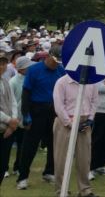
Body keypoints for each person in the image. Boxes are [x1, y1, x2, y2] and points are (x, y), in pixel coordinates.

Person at [17, 45, 65, 190]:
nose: (56, 63)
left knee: (53, 144)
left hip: (54, 112)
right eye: (55, 60)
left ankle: (49, 172)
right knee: (30, 147)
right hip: (36, 111)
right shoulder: (34, 70)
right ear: (48, 55)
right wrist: (26, 115)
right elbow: (26, 94)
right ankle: (22, 177)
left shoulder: (60, 70)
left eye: (59, 61)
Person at [52, 70, 99, 197]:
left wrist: (89, 120)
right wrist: (71, 124)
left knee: (84, 159)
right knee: (61, 159)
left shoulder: (91, 82)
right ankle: (61, 191)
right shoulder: (62, 82)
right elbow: (59, 106)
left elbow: (94, 101)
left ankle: (85, 190)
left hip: (84, 123)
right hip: (65, 123)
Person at [8, 55, 33, 177]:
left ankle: (17, 167)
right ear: (21, 68)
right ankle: (5, 169)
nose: (30, 69)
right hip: (13, 119)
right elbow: (10, 102)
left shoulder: (30, 80)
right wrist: (13, 118)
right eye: (27, 67)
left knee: (22, 146)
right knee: (7, 146)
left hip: (24, 119)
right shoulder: (12, 82)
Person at [0, 51, 19, 185]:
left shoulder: (5, 81)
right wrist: (10, 120)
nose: (1, 66)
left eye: (3, 63)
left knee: (2, 166)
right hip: (5, 125)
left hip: (7, 130)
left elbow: (13, 102)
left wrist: (14, 121)